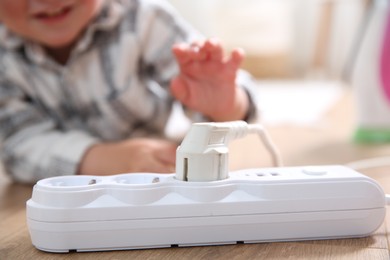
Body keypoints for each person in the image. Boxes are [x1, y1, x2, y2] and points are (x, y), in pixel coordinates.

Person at [0, 0, 259, 183]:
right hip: (55, 195)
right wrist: (103, 159)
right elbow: (18, 145)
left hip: (156, 174)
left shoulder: (145, 17)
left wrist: (224, 104)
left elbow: (224, 95)